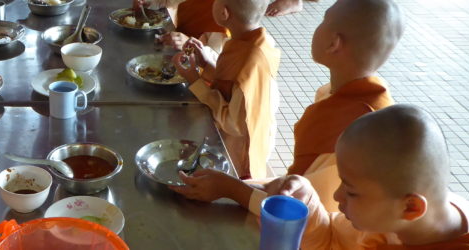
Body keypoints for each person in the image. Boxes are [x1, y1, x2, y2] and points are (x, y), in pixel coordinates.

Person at [171, 0, 400, 213]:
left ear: (333, 43)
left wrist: (232, 189)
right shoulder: (344, 94)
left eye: (324, 20)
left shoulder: (359, 127)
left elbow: (303, 207)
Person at [274, 104, 469, 249]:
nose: (336, 196)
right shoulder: (396, 212)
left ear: (411, 207)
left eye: (350, 191)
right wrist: (308, 203)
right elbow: (331, 238)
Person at [173, 0, 280, 179]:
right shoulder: (251, 41)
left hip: (240, 150)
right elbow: (231, 84)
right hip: (239, 130)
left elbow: (233, 123)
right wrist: (205, 64)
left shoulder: (250, 59)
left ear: (224, 13)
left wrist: (194, 80)